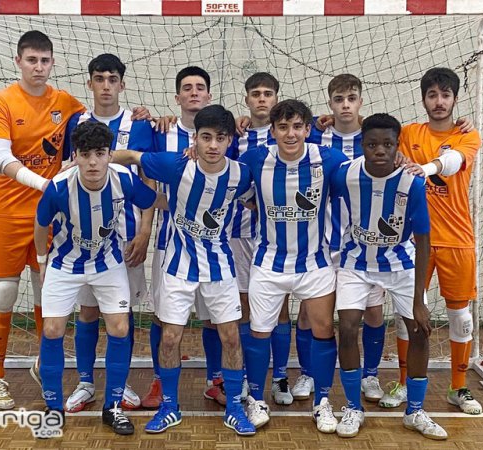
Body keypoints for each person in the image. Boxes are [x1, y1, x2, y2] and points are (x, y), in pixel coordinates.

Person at [113, 105, 257, 436]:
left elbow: (254, 200)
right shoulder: (176, 165)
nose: (213, 145)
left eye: (220, 138)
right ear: (195, 139)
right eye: (206, 137)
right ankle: (169, 407)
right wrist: (90, 162)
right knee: (170, 337)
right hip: (178, 266)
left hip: (220, 267)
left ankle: (235, 407)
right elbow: (132, 156)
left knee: (230, 336)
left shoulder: (241, 174)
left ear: (229, 140)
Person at [34, 121, 160, 435]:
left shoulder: (123, 178)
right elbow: (40, 224)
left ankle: (113, 407)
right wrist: (41, 262)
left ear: (109, 155)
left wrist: (196, 201)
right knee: (52, 329)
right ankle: (53, 409)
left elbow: (152, 201)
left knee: (120, 327)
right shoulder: (59, 186)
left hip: (108, 263)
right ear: (75, 156)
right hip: (65, 263)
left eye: (100, 153)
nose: (93, 162)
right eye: (86, 154)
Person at [0, 30, 85, 410]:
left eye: (44, 61)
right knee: (4, 291)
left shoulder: (66, 103)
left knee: (48, 290)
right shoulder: (1, 101)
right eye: (31, 60)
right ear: (18, 62)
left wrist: (143, 116)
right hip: (8, 212)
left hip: (49, 215)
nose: (38, 67)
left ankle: (46, 366)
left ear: (52, 63)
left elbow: (100, 123)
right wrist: (43, 182)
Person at [333, 113, 447, 440]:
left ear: (398, 146)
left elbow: (423, 240)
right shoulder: (345, 175)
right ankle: (353, 408)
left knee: (419, 330)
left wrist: (419, 300)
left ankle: (415, 411)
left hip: (400, 263)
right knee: (348, 328)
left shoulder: (412, 182)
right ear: (362, 145)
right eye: (372, 144)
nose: (379, 150)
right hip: (356, 262)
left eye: (387, 144)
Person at [237, 100, 348, 432]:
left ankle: (322, 402)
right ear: (272, 131)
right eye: (283, 127)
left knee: (324, 330)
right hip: (268, 264)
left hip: (315, 263)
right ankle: (255, 399)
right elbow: (234, 185)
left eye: (297, 127)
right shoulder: (255, 159)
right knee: (259, 332)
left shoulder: (328, 158)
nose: (290, 134)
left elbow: (362, 175)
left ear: (308, 129)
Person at [61, 53, 156, 413]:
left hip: (126, 236)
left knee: (122, 313)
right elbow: (67, 173)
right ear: (90, 83)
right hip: (84, 240)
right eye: (99, 79)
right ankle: (86, 382)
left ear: (122, 84)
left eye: (112, 79)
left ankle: (121, 381)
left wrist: (145, 232)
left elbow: (148, 179)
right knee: (87, 312)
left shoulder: (139, 123)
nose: (105, 86)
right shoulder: (77, 121)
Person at [394, 68, 483, 415]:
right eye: (432, 95)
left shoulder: (467, 135)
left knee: (460, 316)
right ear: (423, 99)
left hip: (457, 239)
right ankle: (404, 383)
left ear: (455, 99)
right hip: (414, 240)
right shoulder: (409, 133)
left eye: (445, 95)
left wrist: (425, 168)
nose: (439, 101)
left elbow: (453, 162)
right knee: (408, 313)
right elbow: (370, 135)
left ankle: (458, 387)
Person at [143, 66, 230, 409]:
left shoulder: (223, 134)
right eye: (187, 88)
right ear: (177, 97)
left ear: (209, 95)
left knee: (212, 317)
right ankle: (159, 381)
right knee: (163, 316)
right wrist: (151, 217)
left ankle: (215, 379)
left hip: (212, 243)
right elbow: (145, 173)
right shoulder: (161, 131)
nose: (194, 92)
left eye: (200, 87)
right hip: (169, 241)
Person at [307, 74, 387, 403]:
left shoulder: (374, 137)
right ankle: (309, 373)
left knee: (373, 312)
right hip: (324, 242)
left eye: (351, 99)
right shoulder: (316, 136)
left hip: (367, 243)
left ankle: (371, 375)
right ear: (329, 104)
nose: (345, 105)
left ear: (360, 102)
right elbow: (283, 125)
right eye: (339, 99)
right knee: (313, 312)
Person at [231, 73, 298, 405]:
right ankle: (247, 375)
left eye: (267, 94)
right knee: (246, 308)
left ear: (276, 99)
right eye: (255, 94)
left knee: (281, 308)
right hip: (238, 232)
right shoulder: (235, 135)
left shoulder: (286, 135)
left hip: (276, 236)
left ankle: (281, 376)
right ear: (246, 100)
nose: (261, 99)